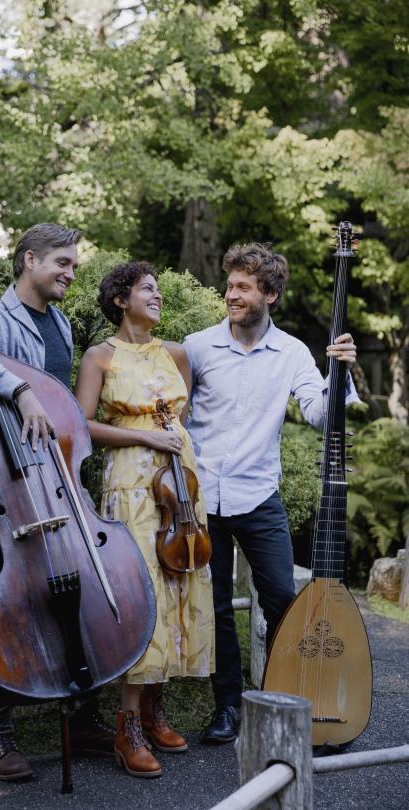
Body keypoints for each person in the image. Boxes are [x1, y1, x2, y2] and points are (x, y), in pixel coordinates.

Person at [0, 223, 115, 781]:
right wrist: (17, 388)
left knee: (77, 586)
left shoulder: (59, 322)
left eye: (75, 266)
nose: (69, 273)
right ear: (29, 259)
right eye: (61, 262)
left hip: (53, 483)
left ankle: (82, 713)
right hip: (7, 488)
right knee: (9, 602)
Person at [183, 242, 359, 745]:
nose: (231, 295)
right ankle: (228, 706)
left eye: (243, 287)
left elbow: (321, 414)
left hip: (259, 498)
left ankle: (281, 693)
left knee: (283, 597)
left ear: (271, 295)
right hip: (202, 501)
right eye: (230, 285)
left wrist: (340, 371)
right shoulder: (196, 347)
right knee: (214, 605)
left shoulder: (292, 354)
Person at [74, 260, 215, 778]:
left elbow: (180, 417)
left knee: (179, 586)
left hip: (181, 483)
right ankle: (126, 726)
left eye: (157, 289)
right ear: (120, 299)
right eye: (146, 289)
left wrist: (169, 444)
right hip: (132, 483)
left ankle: (155, 711)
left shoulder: (176, 353)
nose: (156, 296)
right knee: (143, 595)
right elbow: (82, 427)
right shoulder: (99, 357)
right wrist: (145, 436)